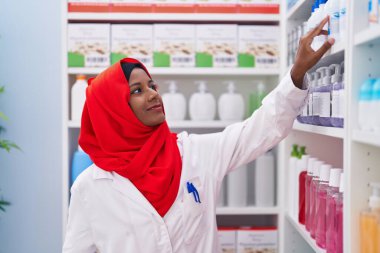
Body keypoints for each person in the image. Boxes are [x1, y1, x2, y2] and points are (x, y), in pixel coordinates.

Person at [63, 17, 334, 253]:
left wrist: (297, 72)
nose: (153, 93)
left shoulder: (195, 153)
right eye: (137, 90)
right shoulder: (90, 187)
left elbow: (260, 129)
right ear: (113, 110)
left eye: (152, 85)